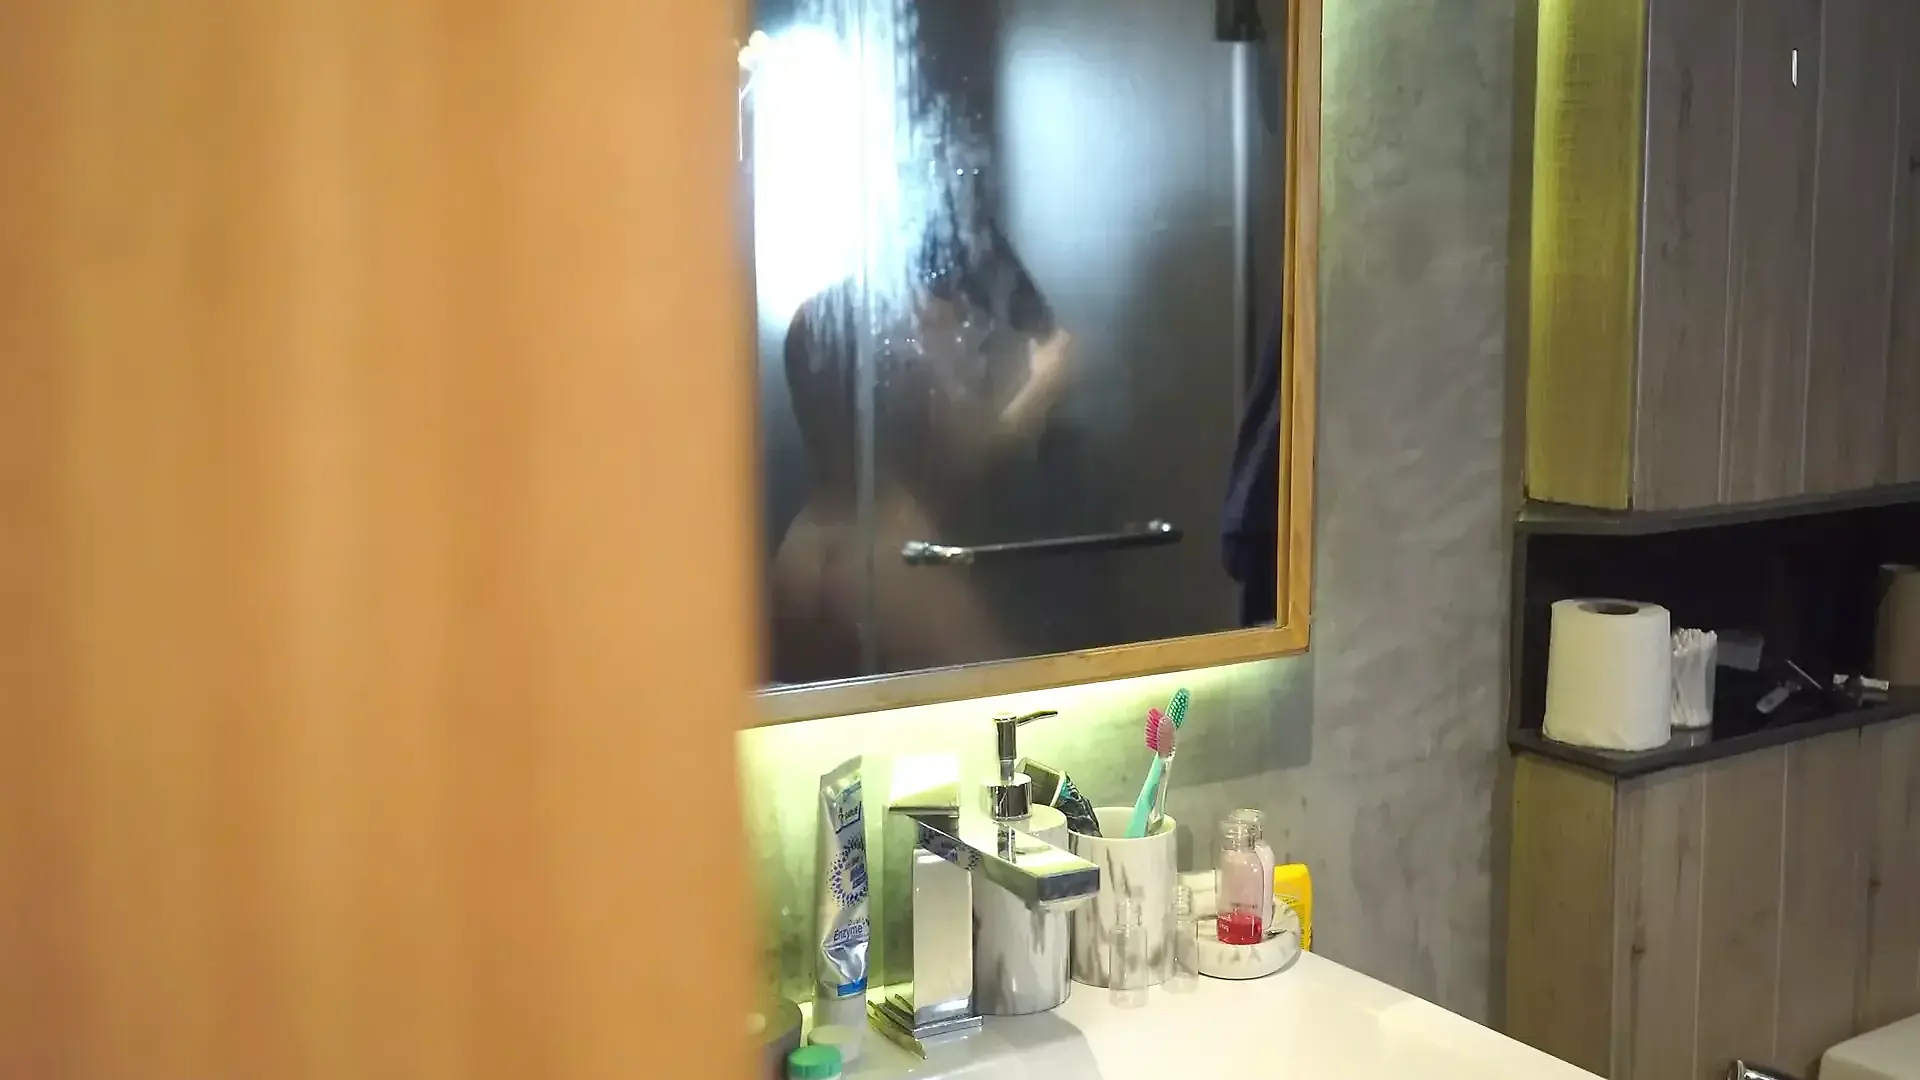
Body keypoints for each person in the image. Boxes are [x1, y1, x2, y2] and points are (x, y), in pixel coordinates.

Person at [769, 223, 1073, 683]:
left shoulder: (831, 521)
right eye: (929, 360)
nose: (963, 371)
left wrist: (1040, 388)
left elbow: (964, 461)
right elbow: (1006, 698)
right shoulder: (885, 569)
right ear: (896, 396)